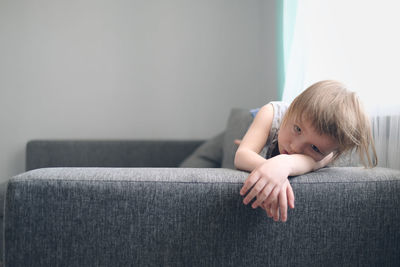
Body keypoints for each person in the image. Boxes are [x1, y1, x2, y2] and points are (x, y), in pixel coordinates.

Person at [234, 80, 377, 222]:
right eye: (297, 129)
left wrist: (283, 165)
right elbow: (242, 156)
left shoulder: (329, 153)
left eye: (314, 148)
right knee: (241, 143)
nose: (295, 147)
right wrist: (273, 169)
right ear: (293, 106)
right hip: (260, 128)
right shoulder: (271, 113)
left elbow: (313, 163)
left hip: (271, 149)